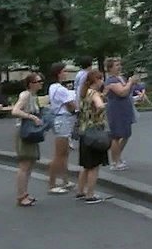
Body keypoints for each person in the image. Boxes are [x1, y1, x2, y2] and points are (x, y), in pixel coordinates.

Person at [12, 73, 44, 207]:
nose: (41, 83)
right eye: (38, 81)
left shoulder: (33, 96)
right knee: (24, 165)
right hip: (24, 132)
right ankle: (20, 196)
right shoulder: (25, 95)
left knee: (29, 164)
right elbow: (15, 111)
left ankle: (24, 193)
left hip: (31, 132)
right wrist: (31, 117)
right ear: (31, 83)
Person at [76, 69, 108, 204]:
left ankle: (80, 190)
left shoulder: (84, 93)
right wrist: (103, 105)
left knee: (86, 165)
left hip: (84, 131)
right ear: (97, 80)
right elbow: (99, 106)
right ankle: (90, 194)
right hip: (95, 132)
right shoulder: (94, 94)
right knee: (94, 166)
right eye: (101, 79)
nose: (102, 81)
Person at [47, 63, 77, 194]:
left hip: (61, 119)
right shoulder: (60, 89)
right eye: (64, 71)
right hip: (62, 119)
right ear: (59, 73)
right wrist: (75, 109)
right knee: (59, 154)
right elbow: (70, 104)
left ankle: (65, 180)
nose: (66, 73)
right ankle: (52, 184)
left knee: (64, 153)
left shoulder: (54, 87)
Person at [103, 58, 137, 171]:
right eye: (116, 65)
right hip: (116, 110)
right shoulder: (111, 80)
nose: (119, 67)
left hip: (125, 109)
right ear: (110, 68)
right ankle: (115, 161)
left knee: (126, 134)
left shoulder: (120, 78)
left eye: (119, 64)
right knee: (116, 135)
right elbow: (122, 92)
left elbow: (127, 92)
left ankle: (118, 156)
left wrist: (132, 85)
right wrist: (130, 82)